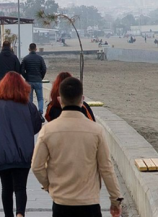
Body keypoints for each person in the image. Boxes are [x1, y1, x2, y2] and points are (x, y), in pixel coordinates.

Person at [32, 77, 123, 217]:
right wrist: (115, 200)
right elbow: (106, 168)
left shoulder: (48, 130)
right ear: (82, 99)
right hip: (89, 203)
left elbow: (36, 166)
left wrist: (50, 186)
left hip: (61, 203)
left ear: (60, 99)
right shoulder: (96, 130)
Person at [0, 72, 42, 217]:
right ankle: (20, 214)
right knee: (21, 187)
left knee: (6, 188)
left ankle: (8, 215)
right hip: (24, 154)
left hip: (4, 155)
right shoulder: (28, 106)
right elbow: (37, 126)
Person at [21, 43, 47, 122]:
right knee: (40, 98)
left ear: (29, 49)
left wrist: (26, 77)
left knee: (30, 99)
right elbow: (44, 69)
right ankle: (40, 114)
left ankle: (30, 114)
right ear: (36, 49)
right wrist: (40, 77)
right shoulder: (40, 58)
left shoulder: (25, 58)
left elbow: (22, 70)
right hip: (38, 80)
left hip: (29, 81)